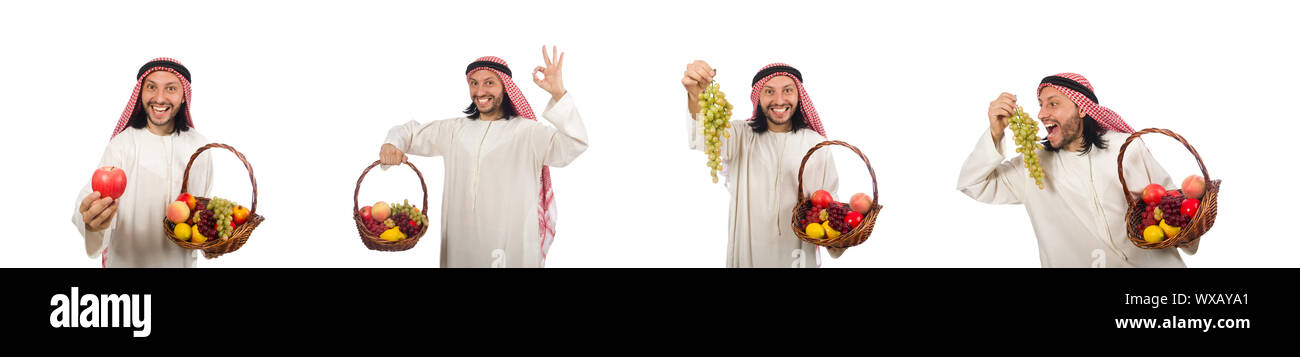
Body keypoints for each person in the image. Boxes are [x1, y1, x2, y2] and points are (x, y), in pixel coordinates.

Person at [957, 73, 1197, 267]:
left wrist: (1189, 228)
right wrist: (995, 133)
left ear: (1082, 109)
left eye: (1053, 103)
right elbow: (973, 184)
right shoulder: (1032, 167)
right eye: (1040, 105)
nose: (1041, 114)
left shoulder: (1126, 148)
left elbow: (1173, 206)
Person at [380, 46, 588, 267]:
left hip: (509, 250)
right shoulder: (453, 130)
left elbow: (574, 144)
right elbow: (409, 132)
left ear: (506, 88)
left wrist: (558, 94)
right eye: (474, 83)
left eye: (489, 82)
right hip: (460, 246)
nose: (480, 91)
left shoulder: (529, 133)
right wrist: (391, 144)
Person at [682, 61, 844, 268]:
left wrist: (839, 237)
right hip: (749, 254)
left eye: (787, 90)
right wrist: (695, 94)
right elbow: (703, 137)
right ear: (758, 98)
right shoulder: (740, 135)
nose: (779, 100)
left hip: (798, 256)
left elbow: (830, 202)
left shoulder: (816, 144)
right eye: (769, 91)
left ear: (798, 96)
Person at [72, 58, 213, 268]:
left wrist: (208, 243)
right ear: (141, 93)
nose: (159, 98)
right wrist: (92, 222)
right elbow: (91, 197)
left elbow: (201, 207)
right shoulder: (122, 145)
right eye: (151, 87)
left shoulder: (199, 146)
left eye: (171, 89)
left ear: (184, 96)